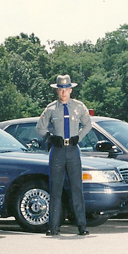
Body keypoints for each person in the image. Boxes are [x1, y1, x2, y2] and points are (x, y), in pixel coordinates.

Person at [35, 74, 92, 236]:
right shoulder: (51, 108)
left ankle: (82, 226)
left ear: (71, 90)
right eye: (60, 90)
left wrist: (78, 137)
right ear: (57, 91)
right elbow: (39, 128)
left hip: (73, 150)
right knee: (56, 189)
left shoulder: (79, 107)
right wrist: (50, 137)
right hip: (58, 151)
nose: (63, 93)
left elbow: (88, 125)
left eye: (66, 89)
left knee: (76, 188)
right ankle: (53, 227)